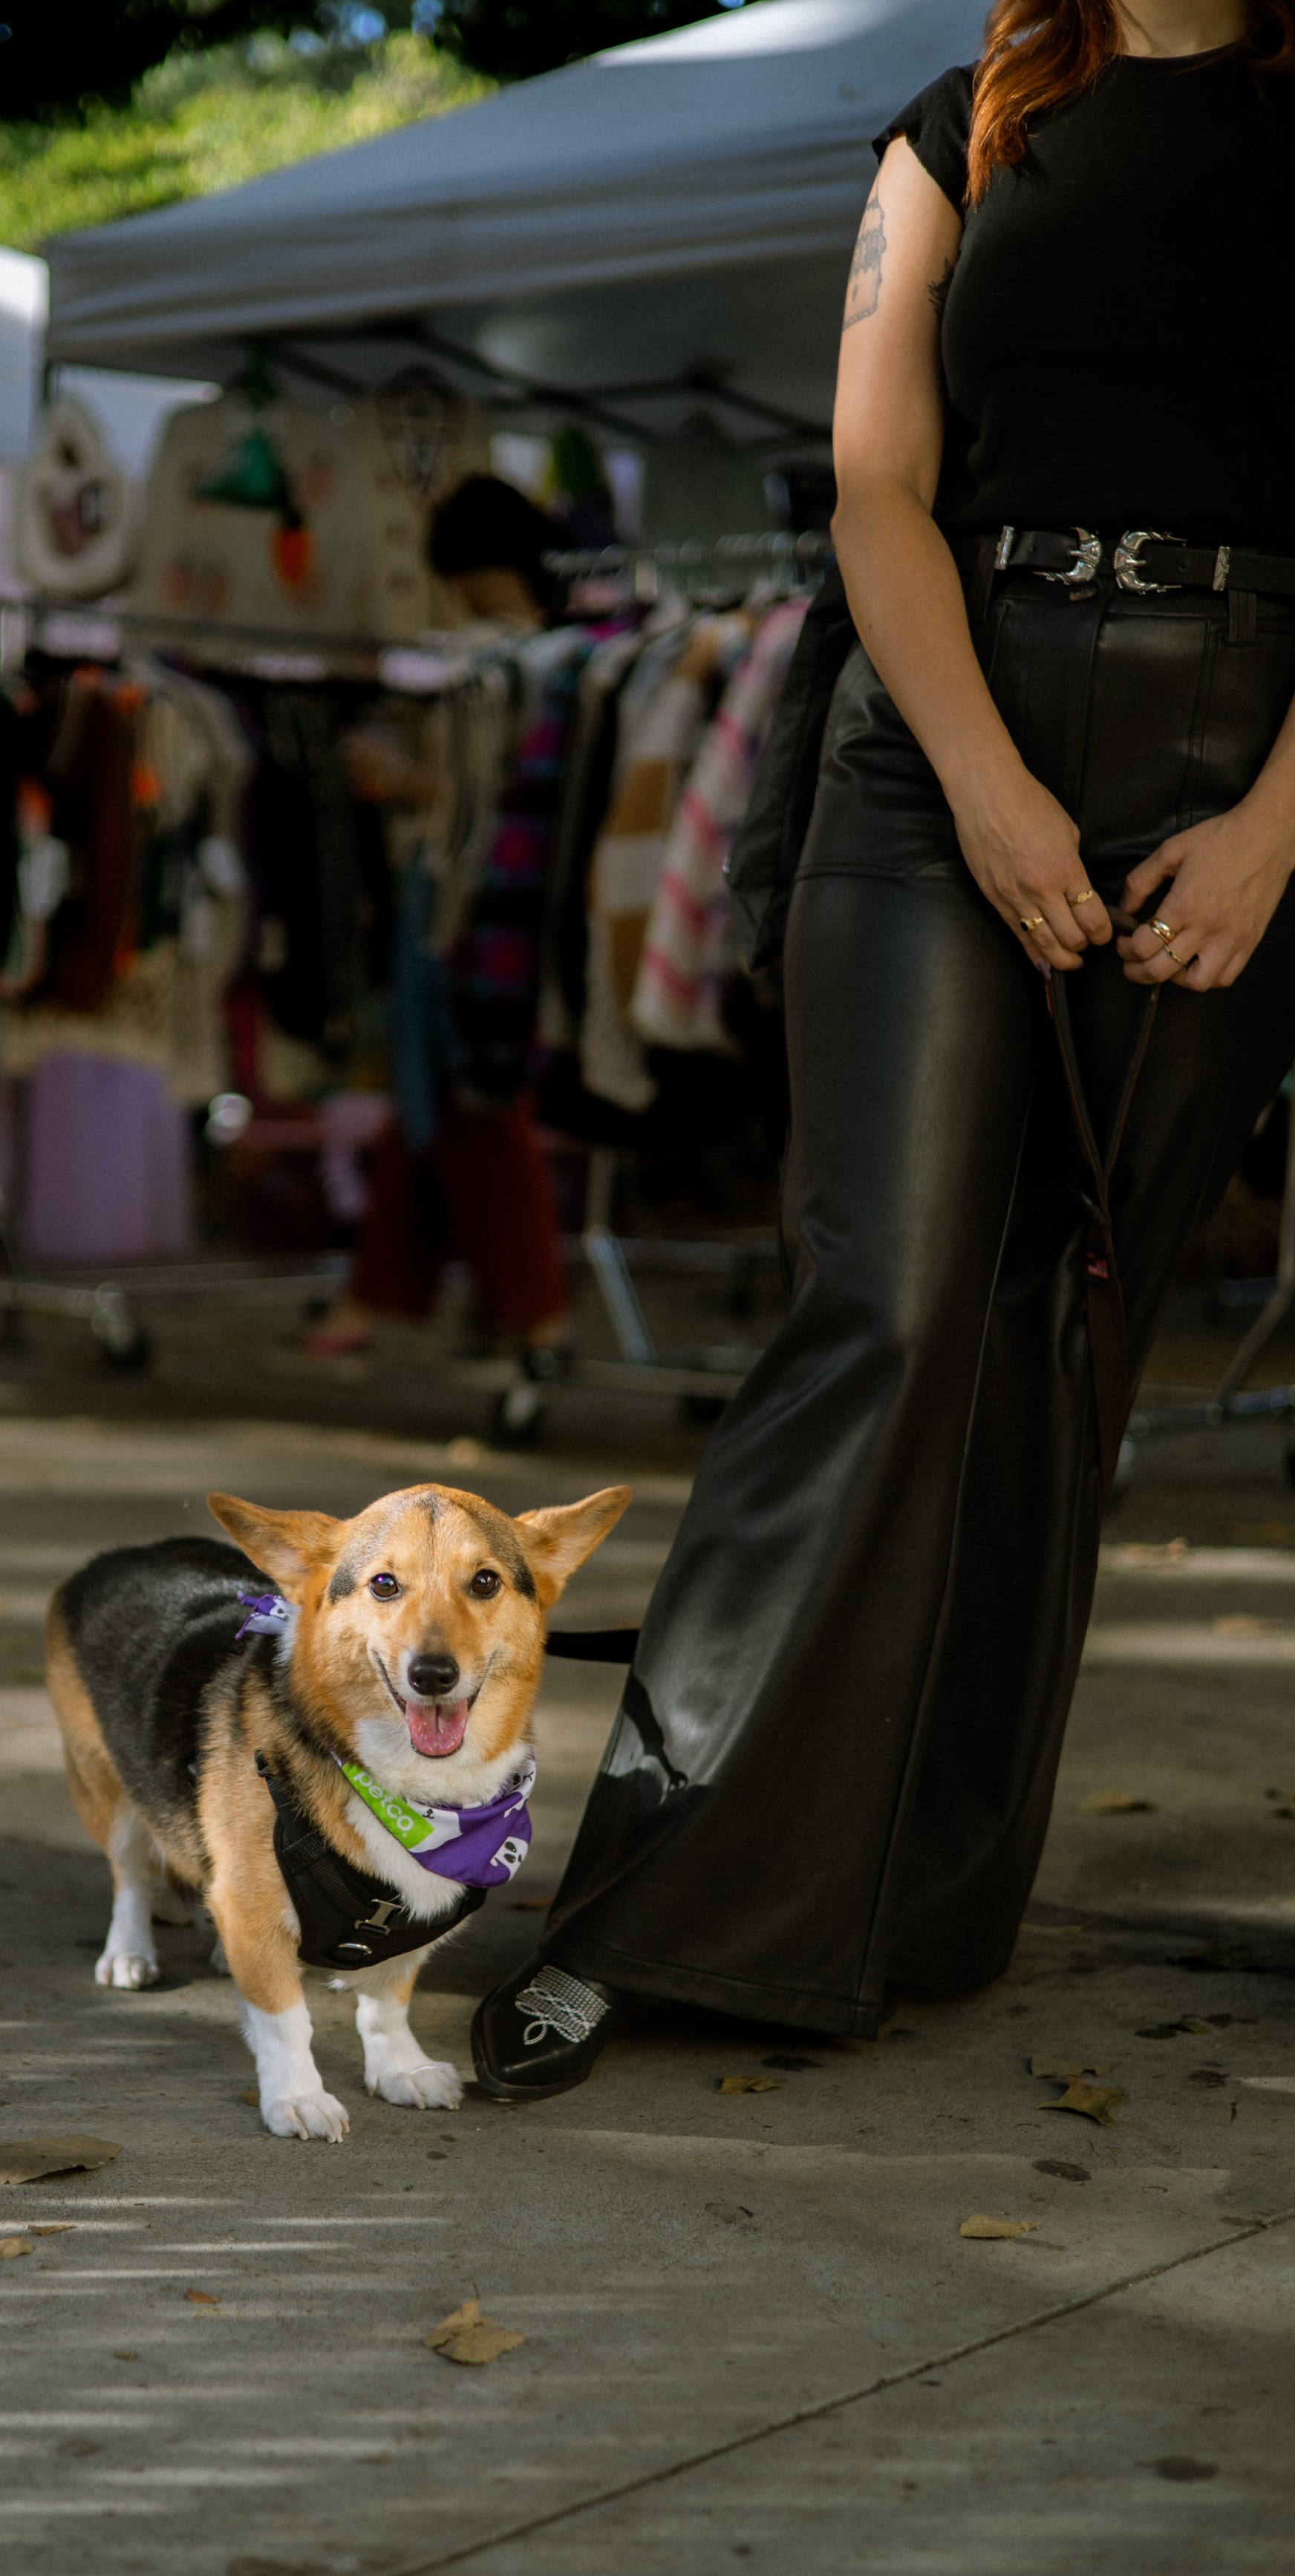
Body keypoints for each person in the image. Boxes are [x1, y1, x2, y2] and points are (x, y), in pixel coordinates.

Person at [472, 0, 1295, 2097]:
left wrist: (1286, 826)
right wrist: (992, 785)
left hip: (1237, 763)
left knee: (1061, 1339)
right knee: (886, 1309)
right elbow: (871, 480)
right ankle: (656, 1897)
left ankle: (921, 1899)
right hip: (942, 739)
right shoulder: (974, 116)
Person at [301, 476, 573, 1368]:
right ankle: (391, 1298)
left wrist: (403, 779)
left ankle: (534, 1315)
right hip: (477, 906)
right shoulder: (541, 660)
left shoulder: (509, 670)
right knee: (434, 1105)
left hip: (479, 910)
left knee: (473, 1104)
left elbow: (489, 806)